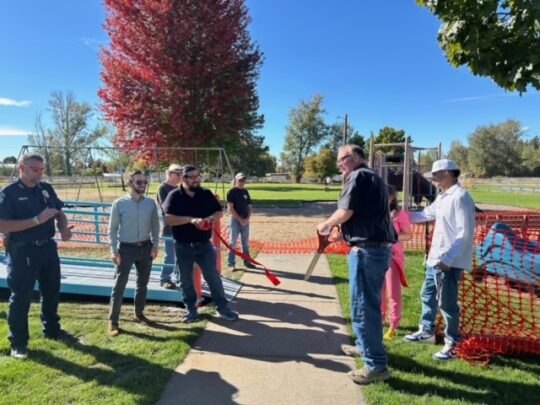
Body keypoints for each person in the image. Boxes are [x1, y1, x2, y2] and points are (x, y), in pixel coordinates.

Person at [317, 144, 396, 385]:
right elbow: (364, 215)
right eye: (339, 160)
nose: (341, 164)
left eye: (345, 158)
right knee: (364, 305)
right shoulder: (373, 178)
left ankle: (376, 365)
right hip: (372, 248)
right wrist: (347, 233)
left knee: (364, 308)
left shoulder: (359, 175)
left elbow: (346, 211)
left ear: (358, 158)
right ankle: (364, 348)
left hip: (368, 252)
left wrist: (325, 225)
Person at [0, 153, 73, 359]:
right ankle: (18, 343)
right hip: (23, 250)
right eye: (35, 169)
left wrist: (64, 228)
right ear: (22, 167)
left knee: (51, 291)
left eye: (42, 170)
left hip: (48, 248)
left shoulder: (46, 189)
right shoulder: (9, 193)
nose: (39, 173)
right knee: (21, 297)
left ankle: (51, 329)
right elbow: (2, 224)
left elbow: (58, 212)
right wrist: (36, 220)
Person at [403, 159, 475, 361]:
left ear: (447, 173)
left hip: (447, 263)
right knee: (427, 294)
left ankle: (453, 343)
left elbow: (465, 233)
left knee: (447, 303)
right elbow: (426, 214)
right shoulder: (443, 197)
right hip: (435, 259)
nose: (433, 179)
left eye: (435, 175)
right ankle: (426, 329)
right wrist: (402, 216)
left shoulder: (460, 197)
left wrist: (449, 259)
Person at [163, 165, 239, 323]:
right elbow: (168, 218)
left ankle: (223, 308)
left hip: (204, 245)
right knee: (185, 280)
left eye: (198, 176)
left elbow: (219, 212)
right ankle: (191, 310)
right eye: (192, 177)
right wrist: (191, 220)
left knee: (213, 277)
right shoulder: (174, 195)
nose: (196, 179)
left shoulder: (206, 194)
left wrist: (210, 219)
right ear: (183, 178)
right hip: (183, 246)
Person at [107, 171, 160, 337]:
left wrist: (155, 245)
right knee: (119, 286)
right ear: (130, 183)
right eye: (139, 182)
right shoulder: (119, 203)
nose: (143, 184)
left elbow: (155, 226)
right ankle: (113, 321)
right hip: (126, 249)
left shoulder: (151, 203)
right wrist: (114, 250)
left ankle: (139, 314)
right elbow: (112, 228)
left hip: (145, 247)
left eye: (145, 181)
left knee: (142, 284)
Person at [381, 185, 412, 340]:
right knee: (378, 291)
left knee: (393, 292)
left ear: (392, 197)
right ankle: (380, 319)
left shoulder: (399, 215)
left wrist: (392, 238)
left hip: (392, 257)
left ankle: (393, 325)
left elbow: (408, 235)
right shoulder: (375, 212)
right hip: (376, 256)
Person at [157, 164, 183, 289]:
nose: (180, 177)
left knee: (181, 254)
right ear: (170, 173)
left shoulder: (180, 188)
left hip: (181, 226)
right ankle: (165, 278)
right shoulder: (162, 188)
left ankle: (179, 277)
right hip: (169, 226)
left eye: (181, 174)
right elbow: (166, 207)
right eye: (178, 174)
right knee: (170, 255)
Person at [227, 172, 255, 270]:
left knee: (245, 242)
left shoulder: (245, 192)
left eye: (243, 180)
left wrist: (247, 219)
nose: (242, 182)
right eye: (240, 180)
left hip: (245, 220)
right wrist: (240, 219)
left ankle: (246, 261)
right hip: (235, 220)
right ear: (235, 180)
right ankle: (231, 263)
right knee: (232, 242)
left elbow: (250, 206)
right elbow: (230, 208)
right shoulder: (231, 192)